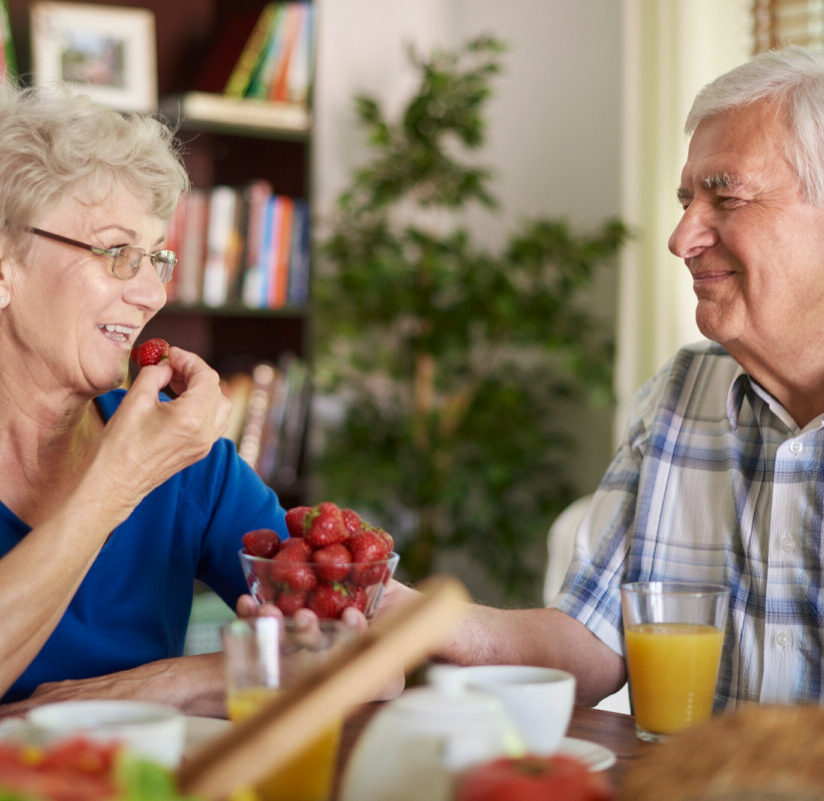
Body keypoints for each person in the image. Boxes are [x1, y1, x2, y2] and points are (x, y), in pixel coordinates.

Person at [258, 44, 824, 711]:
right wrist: (405, 611)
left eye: (724, 197)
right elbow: (591, 636)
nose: (681, 238)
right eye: (685, 199)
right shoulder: (681, 396)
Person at [0, 73, 288, 749]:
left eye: (155, 256)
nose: (153, 293)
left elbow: (360, 636)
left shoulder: (178, 453)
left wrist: (159, 684)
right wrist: (116, 483)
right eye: (117, 252)